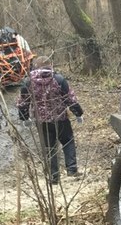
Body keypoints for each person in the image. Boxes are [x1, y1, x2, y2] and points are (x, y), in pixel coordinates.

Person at [16, 56, 84, 184]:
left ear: (35, 66)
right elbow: (70, 98)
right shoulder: (58, 79)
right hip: (61, 119)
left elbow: (23, 103)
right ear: (50, 65)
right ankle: (72, 170)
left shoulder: (28, 82)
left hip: (42, 122)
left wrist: (24, 117)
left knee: (49, 148)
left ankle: (54, 177)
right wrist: (78, 113)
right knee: (68, 141)